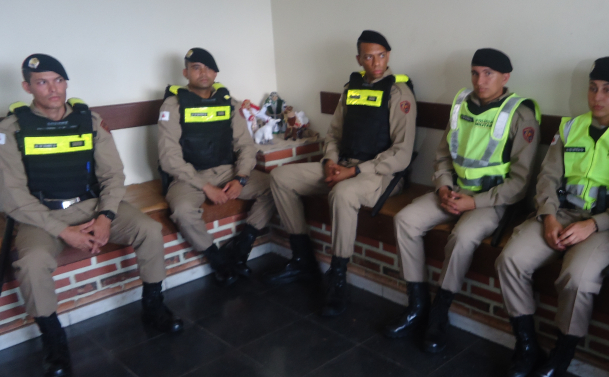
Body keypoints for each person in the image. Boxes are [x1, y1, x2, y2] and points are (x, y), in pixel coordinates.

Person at [0, 54, 183, 377]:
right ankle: (53, 339)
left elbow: (113, 175)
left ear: (66, 83)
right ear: (28, 87)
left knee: (149, 229)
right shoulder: (11, 130)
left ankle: (154, 306)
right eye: (42, 82)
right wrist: (63, 231)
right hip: (40, 216)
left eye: (58, 80)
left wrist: (106, 216)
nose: (52, 89)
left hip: (92, 204)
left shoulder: (90, 121)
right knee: (31, 262)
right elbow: (11, 195)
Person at [496, 57, 609, 377]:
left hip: (608, 224)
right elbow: (548, 178)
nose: (597, 97)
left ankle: (561, 354)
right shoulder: (571, 127)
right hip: (562, 214)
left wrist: (594, 225)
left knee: (578, 277)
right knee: (510, 259)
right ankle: (526, 344)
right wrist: (548, 216)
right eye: (593, 88)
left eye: (608, 90)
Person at [386, 48, 541, 353]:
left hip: (491, 202)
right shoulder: (461, 104)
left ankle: (440, 311)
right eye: (475, 73)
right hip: (453, 192)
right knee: (405, 220)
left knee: (463, 236)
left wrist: (473, 203)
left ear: (505, 77)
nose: (479, 81)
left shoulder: (520, 114)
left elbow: (520, 183)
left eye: (488, 74)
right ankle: (416, 304)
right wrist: (443, 187)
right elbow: (444, 155)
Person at [265, 30, 416, 317]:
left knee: (343, 193)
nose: (376, 63)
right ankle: (303, 260)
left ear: (388, 56)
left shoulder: (399, 93)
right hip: (344, 165)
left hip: (380, 174)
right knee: (280, 177)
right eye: (369, 57)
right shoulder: (351, 88)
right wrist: (330, 162)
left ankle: (338, 275)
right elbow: (334, 134)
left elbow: (402, 153)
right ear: (359, 59)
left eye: (381, 56)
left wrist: (355, 170)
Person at [158, 48, 274, 287]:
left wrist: (241, 177)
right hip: (189, 177)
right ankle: (217, 259)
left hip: (228, 171)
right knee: (181, 210)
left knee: (276, 186)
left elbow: (246, 146)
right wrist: (205, 186)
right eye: (196, 68)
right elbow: (169, 158)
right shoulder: (173, 105)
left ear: (215, 73)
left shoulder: (228, 102)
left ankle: (241, 247)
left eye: (209, 68)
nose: (203, 73)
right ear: (185, 73)